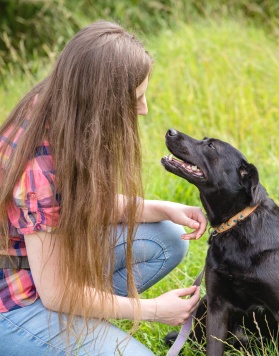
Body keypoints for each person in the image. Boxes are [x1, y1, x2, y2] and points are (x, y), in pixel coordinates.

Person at [0, 21, 207, 355]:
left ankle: (86, 326)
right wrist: (152, 310)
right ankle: (55, 335)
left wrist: (160, 208)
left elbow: (78, 203)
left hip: (45, 266)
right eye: (135, 98)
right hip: (16, 302)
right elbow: (55, 293)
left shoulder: (60, 108)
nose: (144, 109)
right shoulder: (38, 162)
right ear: (100, 101)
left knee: (166, 237)